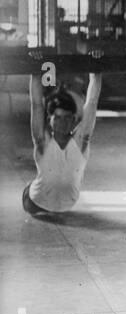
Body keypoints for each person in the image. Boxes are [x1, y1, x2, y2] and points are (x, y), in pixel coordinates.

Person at [23, 72, 102, 216]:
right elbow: (36, 105)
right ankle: (30, 187)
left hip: (60, 203)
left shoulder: (78, 141)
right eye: (58, 117)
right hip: (39, 201)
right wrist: (35, 72)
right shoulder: (44, 141)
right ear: (50, 120)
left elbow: (92, 102)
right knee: (30, 188)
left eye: (67, 118)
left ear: (73, 120)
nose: (62, 122)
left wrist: (95, 70)